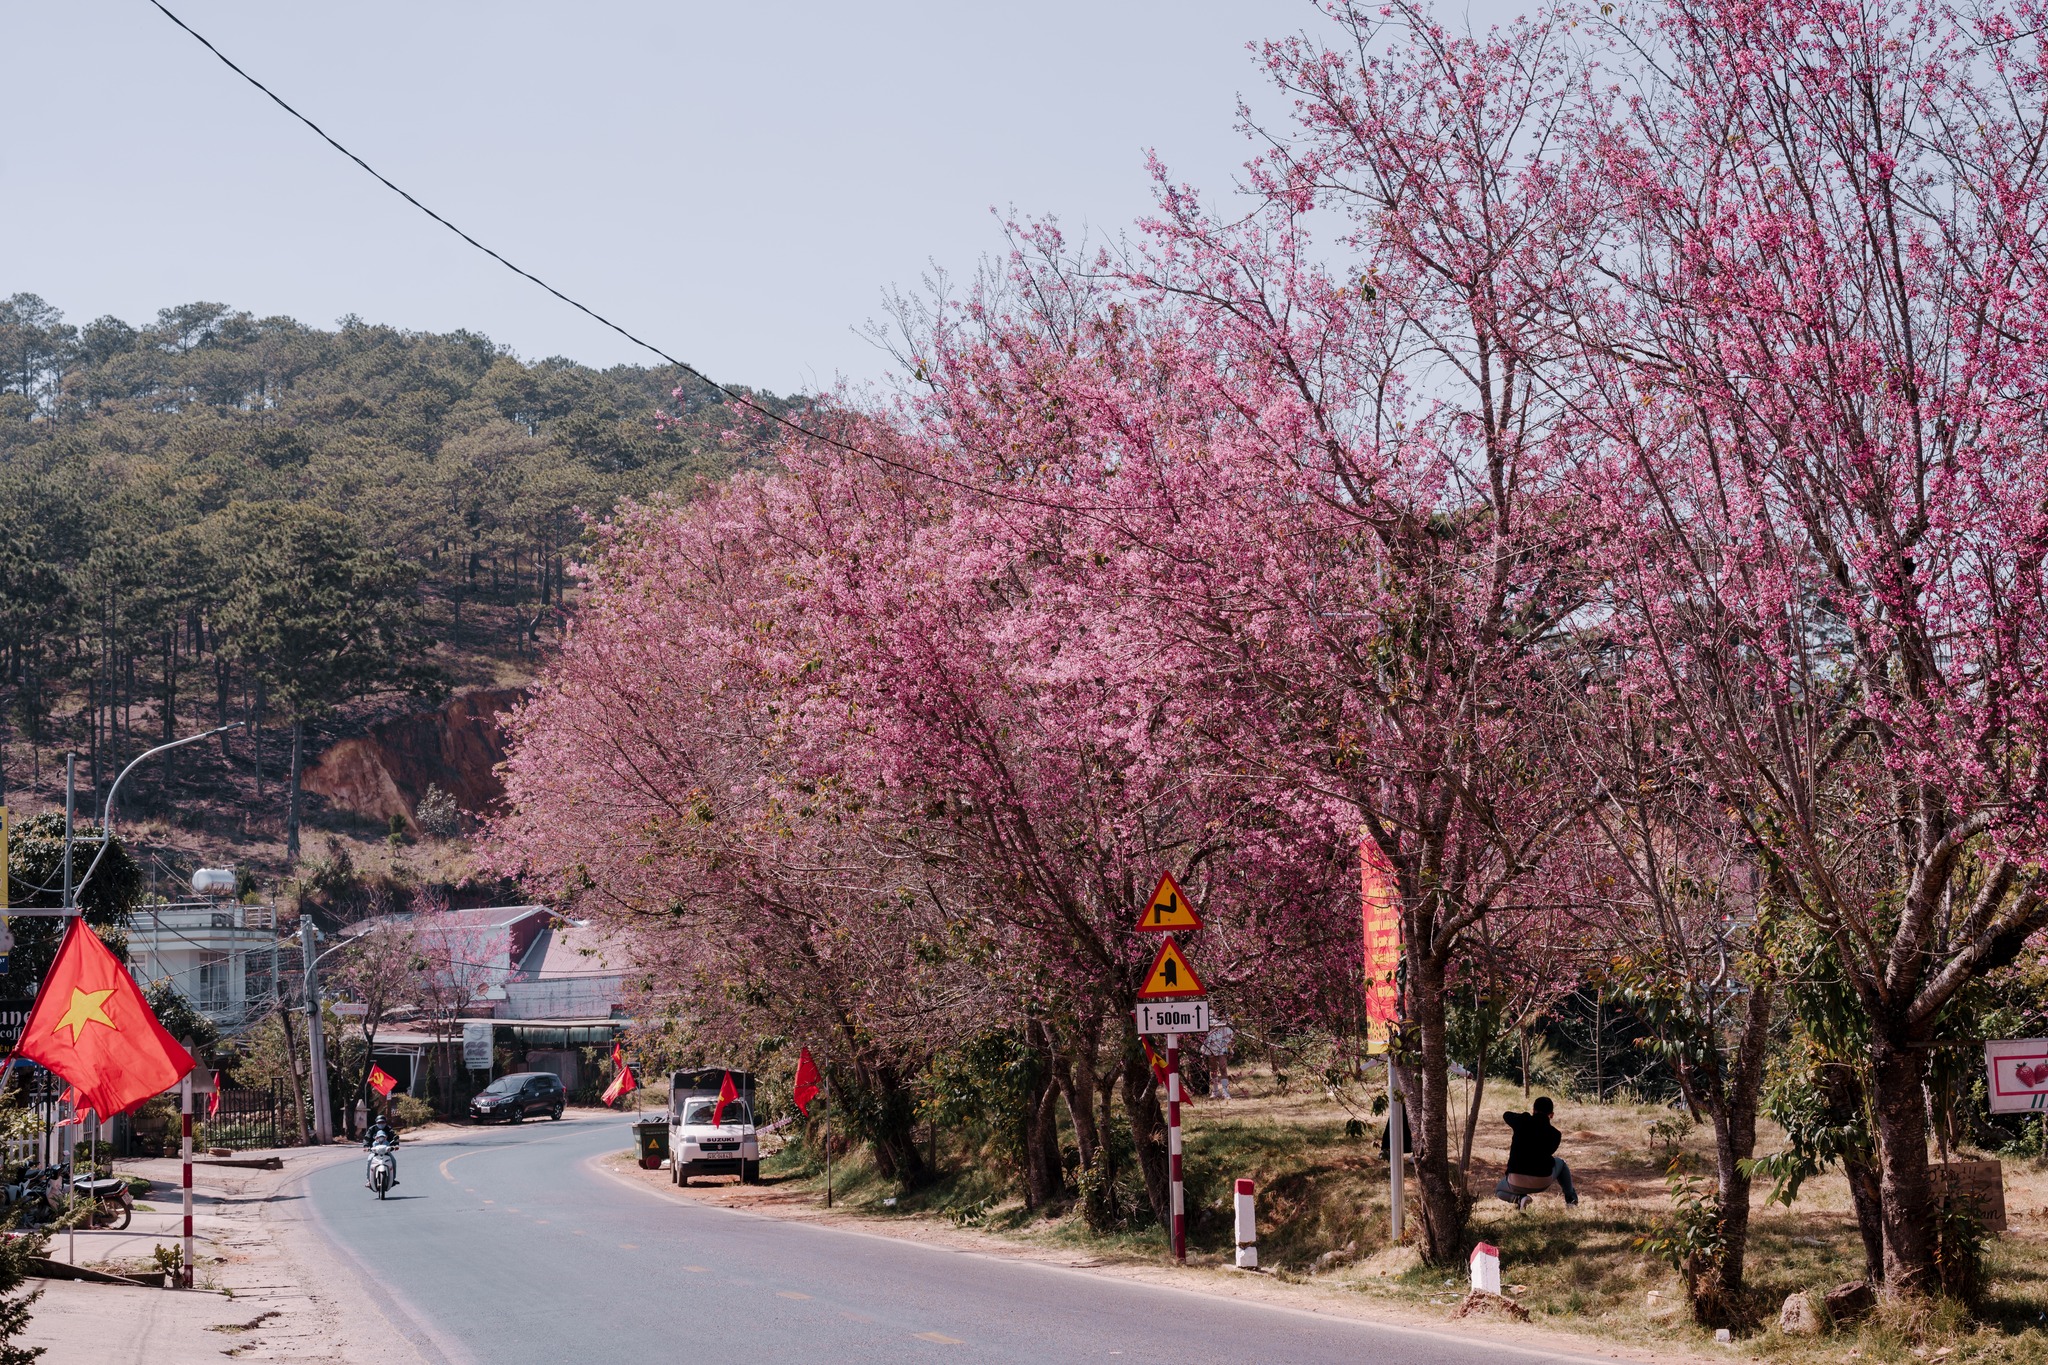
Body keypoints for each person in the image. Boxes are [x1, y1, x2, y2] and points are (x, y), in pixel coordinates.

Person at [1495, 1096, 1577, 1208]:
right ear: (1552, 1115)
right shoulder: (1556, 1134)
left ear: (1533, 1110)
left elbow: (1506, 1115)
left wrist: (1525, 1116)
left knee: (1499, 1190)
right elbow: (1549, 1152)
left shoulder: (1522, 1121)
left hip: (1515, 1180)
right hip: (1542, 1181)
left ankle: (1520, 1198)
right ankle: (1571, 1201)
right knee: (1561, 1163)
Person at [363, 1111, 400, 1189]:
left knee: (393, 1161)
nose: (381, 1124)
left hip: (386, 1151)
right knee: (369, 1160)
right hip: (374, 1151)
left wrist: (396, 1145)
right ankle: (369, 1180)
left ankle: (393, 1179)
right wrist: (366, 1146)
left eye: (383, 1122)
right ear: (376, 1123)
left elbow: (394, 1136)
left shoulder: (388, 1129)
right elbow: (366, 1138)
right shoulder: (372, 1129)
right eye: (379, 1122)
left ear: (385, 1122)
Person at [1201, 1020, 1235, 1099]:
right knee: (1213, 1069)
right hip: (1211, 1044)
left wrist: (1229, 1047)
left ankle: (1225, 1091)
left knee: (1223, 1067)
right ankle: (1215, 1090)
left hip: (1223, 1044)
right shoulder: (1210, 1016)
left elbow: (1230, 1033)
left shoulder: (1225, 1018)